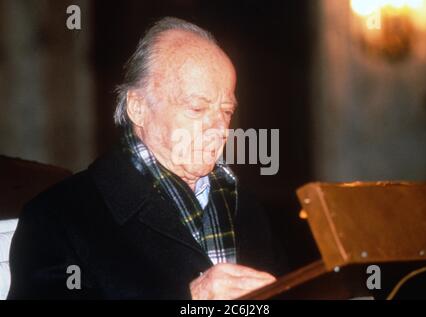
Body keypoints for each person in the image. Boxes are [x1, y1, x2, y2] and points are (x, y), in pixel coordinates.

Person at [8, 17, 286, 300]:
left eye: (226, 111)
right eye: (197, 108)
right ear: (138, 108)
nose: (219, 129)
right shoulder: (58, 218)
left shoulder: (244, 207)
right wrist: (190, 298)